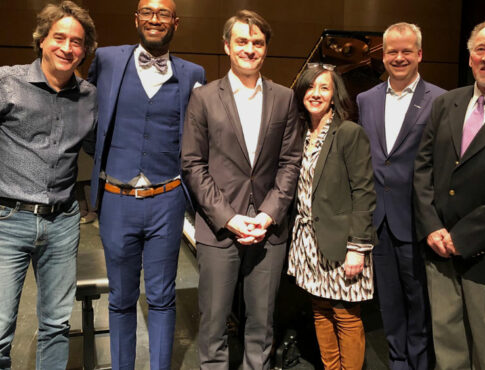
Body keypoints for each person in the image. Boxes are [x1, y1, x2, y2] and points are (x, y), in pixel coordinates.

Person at [181, 9, 302, 370]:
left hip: (269, 230)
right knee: (214, 325)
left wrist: (267, 215)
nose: (250, 49)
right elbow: (192, 164)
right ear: (227, 46)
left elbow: (290, 163)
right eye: (243, 41)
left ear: (266, 49)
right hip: (219, 229)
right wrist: (230, 218)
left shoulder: (284, 98)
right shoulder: (203, 97)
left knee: (262, 327)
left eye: (258, 42)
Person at [87, 0, 205, 368]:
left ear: (176, 22)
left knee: (162, 296)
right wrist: (109, 162)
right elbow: (86, 116)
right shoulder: (106, 60)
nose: (155, 19)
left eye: (163, 13)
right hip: (116, 199)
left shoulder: (193, 73)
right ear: (136, 18)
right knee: (121, 298)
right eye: (148, 12)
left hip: (166, 200)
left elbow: (199, 135)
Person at [413, 20, 485, 370]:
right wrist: (432, 227)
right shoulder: (447, 103)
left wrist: (461, 237)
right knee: (449, 354)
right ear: (470, 57)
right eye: (480, 49)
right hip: (441, 255)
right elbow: (422, 169)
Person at [0, 1, 97, 368]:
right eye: (59, 37)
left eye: (77, 42)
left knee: (56, 325)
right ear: (41, 40)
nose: (67, 47)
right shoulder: (7, 83)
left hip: (62, 221)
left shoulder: (89, 96)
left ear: (84, 50)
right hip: (8, 220)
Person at [356, 22, 445, 370]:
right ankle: (397, 362)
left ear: (420, 54)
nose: (399, 57)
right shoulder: (366, 99)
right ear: (383, 55)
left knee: (419, 304)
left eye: (407, 50)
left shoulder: (440, 100)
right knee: (389, 303)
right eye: (392, 51)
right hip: (379, 219)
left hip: (417, 219)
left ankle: (420, 364)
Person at [287, 64, 376, 370]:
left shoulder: (348, 132)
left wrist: (357, 247)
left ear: (334, 95)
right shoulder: (299, 133)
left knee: (346, 316)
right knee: (320, 309)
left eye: (324, 88)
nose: (316, 93)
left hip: (342, 242)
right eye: (311, 87)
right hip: (308, 241)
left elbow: (364, 192)